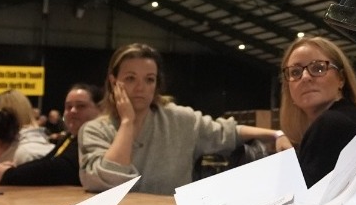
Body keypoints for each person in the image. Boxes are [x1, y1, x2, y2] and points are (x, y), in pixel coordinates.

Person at [78, 43, 280, 194]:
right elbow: (107, 180)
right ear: (114, 82)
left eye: (149, 79)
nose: (140, 87)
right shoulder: (94, 130)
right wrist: (127, 123)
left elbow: (229, 132)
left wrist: (277, 134)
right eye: (130, 78)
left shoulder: (180, 120)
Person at [276, 36, 356, 187]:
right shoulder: (349, 115)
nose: (305, 77)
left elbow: (303, 203)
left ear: (341, 79)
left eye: (318, 68)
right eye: (295, 72)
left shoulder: (332, 123)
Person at [0, 83, 102, 186]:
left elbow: (61, 168)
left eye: (81, 106)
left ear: (101, 109)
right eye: (68, 107)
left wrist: (9, 174)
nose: (72, 111)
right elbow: (48, 160)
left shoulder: (97, 135)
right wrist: (15, 170)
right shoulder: (70, 136)